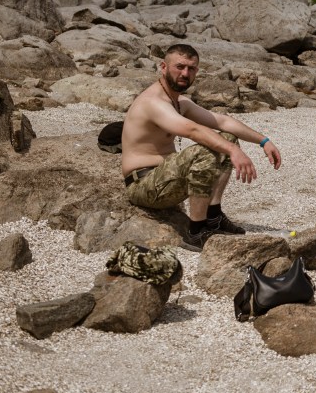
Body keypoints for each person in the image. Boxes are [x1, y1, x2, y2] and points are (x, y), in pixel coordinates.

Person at [121, 43, 282, 250]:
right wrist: (233, 151)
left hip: (166, 179)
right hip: (143, 186)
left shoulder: (179, 102)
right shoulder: (152, 102)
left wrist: (264, 141)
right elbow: (192, 131)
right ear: (163, 67)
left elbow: (223, 122)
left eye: (191, 68)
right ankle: (196, 232)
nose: (185, 73)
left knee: (227, 137)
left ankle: (213, 216)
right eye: (179, 67)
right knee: (205, 151)